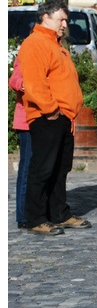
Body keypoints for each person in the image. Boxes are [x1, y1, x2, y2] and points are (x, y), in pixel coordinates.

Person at [19, 0, 91, 235]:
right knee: (43, 168)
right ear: (45, 18)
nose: (64, 24)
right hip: (48, 116)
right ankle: (36, 219)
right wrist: (51, 110)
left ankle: (59, 214)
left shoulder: (56, 45)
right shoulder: (35, 43)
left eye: (66, 20)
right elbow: (34, 83)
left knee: (61, 168)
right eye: (60, 19)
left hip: (63, 116)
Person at [9, 56, 32, 229]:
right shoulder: (25, 56)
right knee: (26, 168)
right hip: (26, 122)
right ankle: (23, 215)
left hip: (43, 122)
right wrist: (32, 86)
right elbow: (15, 81)